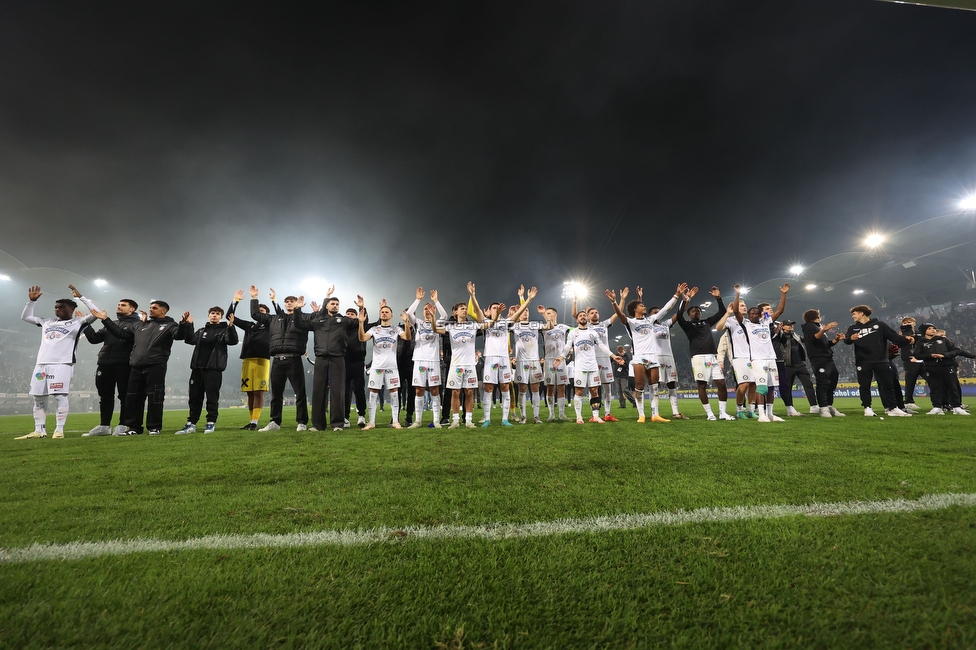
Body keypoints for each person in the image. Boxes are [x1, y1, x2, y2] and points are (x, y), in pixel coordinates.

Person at [93, 299, 192, 435]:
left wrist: (183, 325)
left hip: (155, 365)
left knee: (154, 397)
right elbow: (121, 334)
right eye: (151, 307)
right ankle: (134, 428)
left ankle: (154, 427)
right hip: (136, 366)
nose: (151, 309)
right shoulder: (141, 325)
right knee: (133, 398)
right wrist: (105, 320)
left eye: (155, 308)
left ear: (164, 311)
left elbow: (179, 336)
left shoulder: (170, 325)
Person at [16, 284, 100, 439]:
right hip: (41, 364)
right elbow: (25, 317)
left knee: (60, 396)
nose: (57, 310)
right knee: (38, 397)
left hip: (62, 364)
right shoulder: (47, 322)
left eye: (60, 307)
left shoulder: (79, 322)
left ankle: (59, 430)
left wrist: (81, 297)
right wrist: (31, 302)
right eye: (55, 307)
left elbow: (97, 313)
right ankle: (39, 430)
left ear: (71, 309)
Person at [607, 284, 685, 423]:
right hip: (639, 357)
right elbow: (620, 315)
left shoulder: (650, 320)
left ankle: (655, 415)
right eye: (642, 306)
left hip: (653, 357)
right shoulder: (630, 322)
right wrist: (614, 301)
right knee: (640, 387)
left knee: (654, 387)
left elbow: (666, 309)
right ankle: (641, 415)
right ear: (635, 309)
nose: (645, 307)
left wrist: (676, 295)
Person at [291, 292, 361, 431]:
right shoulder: (318, 321)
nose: (335, 306)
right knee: (318, 392)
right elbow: (299, 324)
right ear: (327, 305)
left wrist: (361, 307)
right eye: (332, 303)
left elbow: (361, 321)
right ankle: (318, 425)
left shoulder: (344, 321)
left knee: (337, 392)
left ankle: (337, 424)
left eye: (337, 304)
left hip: (337, 359)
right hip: (321, 359)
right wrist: (297, 309)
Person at [250, 288, 311, 432]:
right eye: (287, 301)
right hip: (277, 360)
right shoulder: (273, 319)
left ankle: (302, 422)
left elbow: (320, 318)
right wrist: (254, 298)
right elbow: (255, 315)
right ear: (284, 304)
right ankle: (275, 422)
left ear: (297, 303)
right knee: (276, 394)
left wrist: (300, 310)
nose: (289, 303)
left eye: (292, 301)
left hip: (294, 359)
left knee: (300, 393)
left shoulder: (303, 318)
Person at [82, 295, 141, 436]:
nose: (119, 306)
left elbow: (122, 335)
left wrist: (105, 320)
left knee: (124, 396)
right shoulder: (111, 323)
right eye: (119, 304)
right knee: (105, 396)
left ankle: (123, 424)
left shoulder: (136, 325)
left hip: (124, 364)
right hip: (104, 363)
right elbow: (94, 339)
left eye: (123, 305)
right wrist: (84, 324)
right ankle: (104, 425)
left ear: (132, 309)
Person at [175, 307, 239, 434]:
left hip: (213, 369)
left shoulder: (224, 330)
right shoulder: (201, 331)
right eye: (212, 313)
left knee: (212, 397)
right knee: (194, 398)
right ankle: (191, 424)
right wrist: (189, 325)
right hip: (197, 369)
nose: (214, 315)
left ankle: (210, 423)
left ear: (221, 316)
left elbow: (233, 341)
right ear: (208, 315)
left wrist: (231, 327)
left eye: (217, 314)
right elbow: (190, 340)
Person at [554, 309, 624, 424]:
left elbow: (601, 345)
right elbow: (567, 346)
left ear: (587, 318)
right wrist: (561, 357)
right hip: (580, 366)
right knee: (579, 391)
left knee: (594, 391)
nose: (582, 317)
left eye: (584, 315)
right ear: (577, 320)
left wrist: (613, 356)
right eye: (580, 316)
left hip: (593, 365)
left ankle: (595, 416)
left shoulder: (593, 332)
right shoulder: (573, 332)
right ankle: (579, 417)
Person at [480, 287, 538, 427]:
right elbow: (478, 313)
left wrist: (528, 299)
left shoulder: (506, 323)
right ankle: (487, 419)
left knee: (505, 387)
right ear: (489, 311)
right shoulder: (484, 322)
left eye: (498, 307)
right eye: (493, 307)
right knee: (488, 388)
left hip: (504, 358)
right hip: (490, 358)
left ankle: (505, 419)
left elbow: (519, 312)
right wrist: (472, 295)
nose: (496, 308)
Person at [434, 282, 488, 429]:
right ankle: (455, 420)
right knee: (455, 392)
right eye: (461, 309)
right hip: (455, 364)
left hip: (470, 364)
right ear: (455, 313)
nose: (465, 310)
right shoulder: (450, 327)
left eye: (465, 308)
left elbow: (484, 322)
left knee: (469, 391)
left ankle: (469, 420)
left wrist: (472, 296)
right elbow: (435, 329)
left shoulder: (472, 326)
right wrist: (433, 316)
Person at [843, 304, 914, 417]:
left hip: (881, 360)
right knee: (864, 385)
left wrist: (905, 339)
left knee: (888, 384)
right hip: (863, 361)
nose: (853, 316)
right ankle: (867, 408)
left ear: (862, 313)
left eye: (854, 314)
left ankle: (892, 408)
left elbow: (893, 337)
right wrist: (850, 338)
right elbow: (846, 341)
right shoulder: (853, 328)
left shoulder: (880, 325)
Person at [675, 286, 733, 420]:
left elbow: (721, 313)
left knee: (722, 384)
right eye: (694, 311)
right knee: (702, 385)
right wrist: (686, 300)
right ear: (689, 314)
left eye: (699, 310)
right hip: (699, 358)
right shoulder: (687, 325)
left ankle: (723, 413)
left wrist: (718, 298)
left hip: (713, 357)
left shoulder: (706, 322)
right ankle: (709, 414)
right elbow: (678, 315)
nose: (697, 312)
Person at [357, 299, 412, 430]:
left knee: (394, 392)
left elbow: (407, 337)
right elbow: (362, 338)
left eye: (387, 312)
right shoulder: (374, 329)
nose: (384, 314)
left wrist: (406, 322)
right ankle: (371, 422)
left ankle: (395, 421)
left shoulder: (396, 329)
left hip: (391, 366)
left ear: (391, 315)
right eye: (382, 312)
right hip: (377, 366)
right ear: (380, 314)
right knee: (373, 393)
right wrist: (360, 323)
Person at [404, 287, 448, 429]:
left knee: (435, 390)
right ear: (422, 312)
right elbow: (409, 313)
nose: (427, 311)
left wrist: (436, 301)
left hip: (434, 360)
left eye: (430, 309)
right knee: (419, 390)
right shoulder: (418, 322)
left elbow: (445, 316)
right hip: (419, 360)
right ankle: (418, 420)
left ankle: (435, 420)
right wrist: (418, 300)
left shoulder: (438, 322)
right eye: (425, 309)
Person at [228, 288, 272, 430]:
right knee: (249, 392)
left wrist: (256, 298)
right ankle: (251, 421)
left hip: (262, 360)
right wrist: (235, 300)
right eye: (257, 311)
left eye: (262, 311)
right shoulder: (249, 325)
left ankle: (255, 422)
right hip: (247, 360)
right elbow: (230, 316)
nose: (259, 313)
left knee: (258, 391)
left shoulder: (270, 325)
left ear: (267, 314)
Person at [912, 323, 969, 415]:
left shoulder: (944, 340)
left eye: (934, 328)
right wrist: (930, 356)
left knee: (952, 387)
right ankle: (937, 407)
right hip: (931, 367)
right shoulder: (921, 342)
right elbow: (917, 355)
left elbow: (955, 350)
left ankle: (956, 407)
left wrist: (944, 355)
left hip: (947, 366)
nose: (933, 330)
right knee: (935, 388)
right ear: (924, 331)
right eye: (929, 328)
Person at [512, 291, 550, 424]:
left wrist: (544, 313)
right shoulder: (514, 326)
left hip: (534, 361)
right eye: (523, 311)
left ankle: (536, 416)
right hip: (521, 361)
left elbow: (550, 326)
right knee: (522, 389)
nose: (525, 313)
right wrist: (513, 313)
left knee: (535, 389)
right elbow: (504, 324)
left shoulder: (534, 324)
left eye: (527, 311)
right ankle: (523, 416)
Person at [800, 309, 845, 417]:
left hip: (828, 358)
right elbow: (813, 338)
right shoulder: (809, 326)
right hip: (818, 359)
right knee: (823, 382)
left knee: (833, 380)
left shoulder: (817, 327)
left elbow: (826, 344)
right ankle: (823, 407)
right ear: (814, 316)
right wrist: (824, 329)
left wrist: (836, 339)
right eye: (818, 315)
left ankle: (829, 405)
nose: (820, 316)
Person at [772, 320, 818, 417]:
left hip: (800, 364)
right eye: (788, 325)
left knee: (808, 385)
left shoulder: (795, 335)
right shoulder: (779, 337)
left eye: (791, 325)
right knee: (787, 388)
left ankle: (813, 406)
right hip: (787, 365)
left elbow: (805, 340)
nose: (791, 326)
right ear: (783, 327)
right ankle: (790, 408)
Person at [899, 316, 925, 412]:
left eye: (909, 322)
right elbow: (897, 344)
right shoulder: (901, 335)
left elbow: (923, 342)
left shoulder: (919, 334)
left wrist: (915, 336)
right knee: (910, 382)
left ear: (914, 323)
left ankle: (941, 402)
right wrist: (903, 337)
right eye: (905, 323)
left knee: (933, 380)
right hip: (909, 360)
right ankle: (909, 402)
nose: (907, 324)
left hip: (922, 360)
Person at [612, 345, 635, 410]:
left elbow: (627, 365)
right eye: (620, 352)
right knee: (619, 391)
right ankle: (622, 404)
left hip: (624, 375)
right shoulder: (615, 356)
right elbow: (612, 362)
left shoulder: (626, 357)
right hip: (617, 375)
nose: (621, 353)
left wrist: (623, 364)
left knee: (625, 389)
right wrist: (617, 362)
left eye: (622, 352)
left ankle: (633, 401)